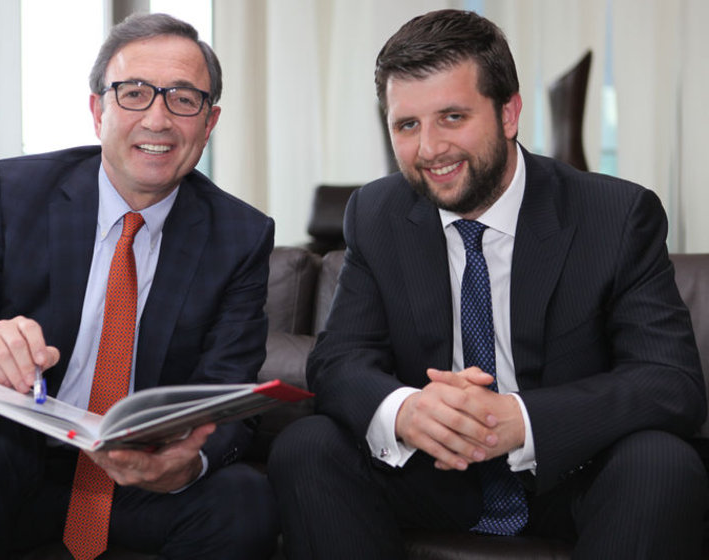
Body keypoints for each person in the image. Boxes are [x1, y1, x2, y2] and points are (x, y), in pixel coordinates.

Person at [268, 9, 707, 560]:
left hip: (572, 474)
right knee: (307, 445)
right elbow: (338, 361)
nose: (430, 149)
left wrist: (522, 420)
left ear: (509, 113)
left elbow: (670, 382)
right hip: (432, 474)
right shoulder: (377, 213)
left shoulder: (615, 215)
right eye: (407, 125)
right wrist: (405, 410)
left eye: (452, 117)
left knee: (663, 463)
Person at [0, 12, 278, 560]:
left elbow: (228, 393)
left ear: (209, 123)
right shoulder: (13, 194)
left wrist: (183, 463)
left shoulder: (240, 236)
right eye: (134, 93)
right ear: (98, 110)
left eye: (183, 99)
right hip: (3, 464)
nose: (157, 119)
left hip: (134, 479)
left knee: (244, 500)